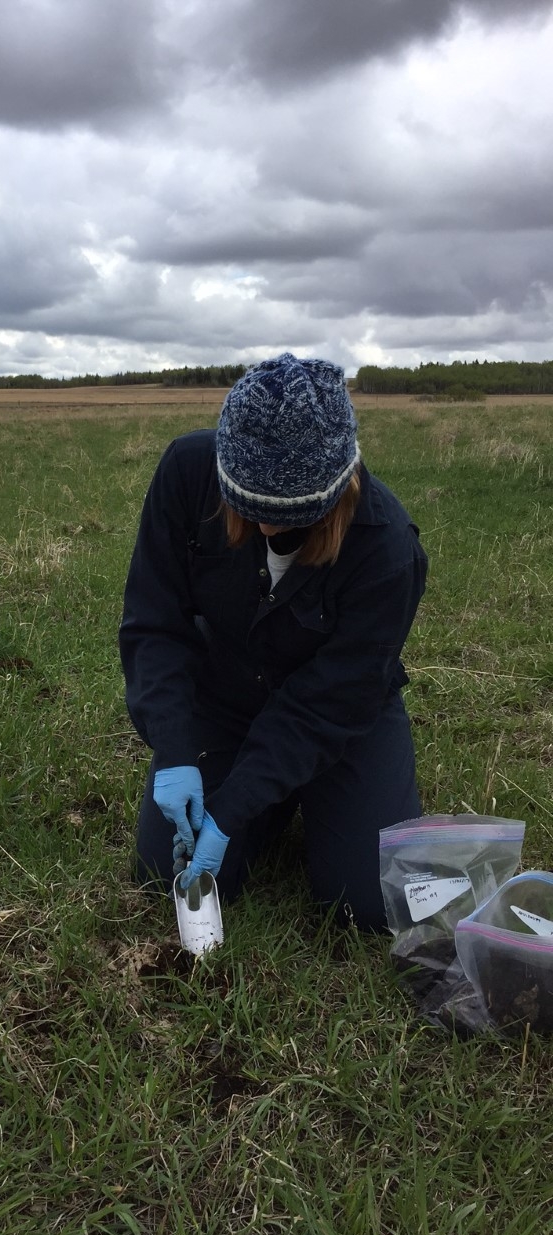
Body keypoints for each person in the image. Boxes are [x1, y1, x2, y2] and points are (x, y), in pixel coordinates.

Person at [119, 352, 428, 930]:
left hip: (337, 718)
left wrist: (233, 807)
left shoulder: (387, 550)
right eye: (248, 508)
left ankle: (300, 793)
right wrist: (175, 749)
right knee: (165, 869)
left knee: (365, 901)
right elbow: (153, 623)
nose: (263, 530)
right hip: (230, 696)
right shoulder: (187, 473)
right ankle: (273, 794)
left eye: (288, 518)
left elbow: (333, 701)